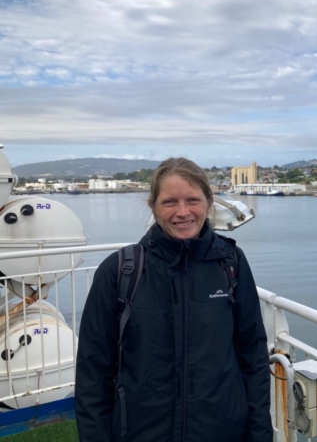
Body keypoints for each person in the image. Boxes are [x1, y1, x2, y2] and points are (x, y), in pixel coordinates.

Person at [75, 158, 273, 442]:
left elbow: (253, 354)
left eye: (193, 200)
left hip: (223, 429)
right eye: (170, 202)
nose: (183, 212)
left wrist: (260, 433)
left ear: (209, 201)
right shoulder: (120, 271)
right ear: (152, 205)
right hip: (142, 432)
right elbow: (93, 371)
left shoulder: (230, 263)